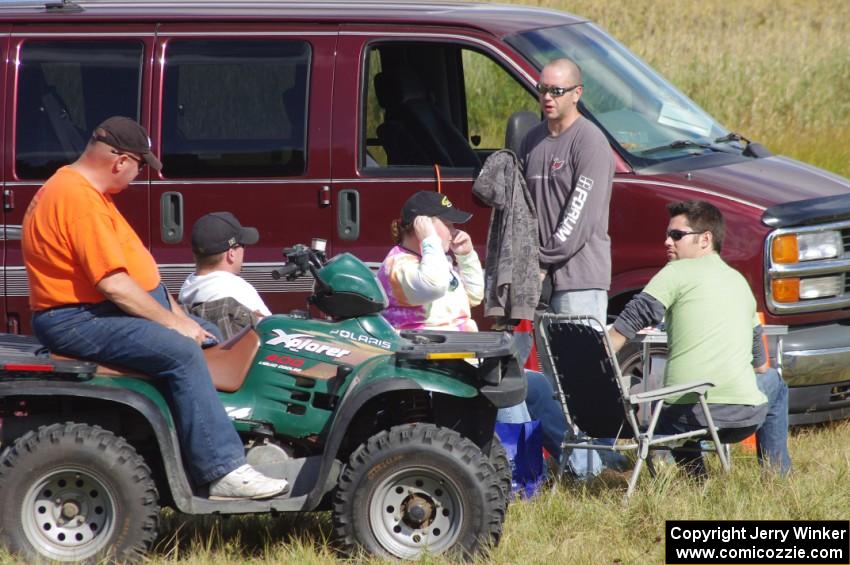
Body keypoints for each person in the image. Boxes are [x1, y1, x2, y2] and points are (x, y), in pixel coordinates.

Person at [22, 116, 289, 499]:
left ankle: (240, 438)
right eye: (139, 166)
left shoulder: (85, 191)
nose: (138, 176)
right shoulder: (77, 199)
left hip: (91, 312)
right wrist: (172, 325)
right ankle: (223, 468)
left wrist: (178, 314)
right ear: (119, 162)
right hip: (75, 318)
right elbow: (113, 283)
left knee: (215, 337)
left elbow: (132, 271)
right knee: (181, 352)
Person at [376, 191, 568, 460]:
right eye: (449, 224)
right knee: (507, 392)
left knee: (535, 386)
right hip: (434, 364)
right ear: (422, 225)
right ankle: (519, 476)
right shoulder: (399, 264)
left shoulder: (436, 261)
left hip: (462, 356)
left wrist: (465, 257)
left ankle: (581, 465)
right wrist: (430, 240)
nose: (455, 231)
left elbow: (474, 296)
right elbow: (433, 285)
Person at [607, 200, 791, 476]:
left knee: (677, 396)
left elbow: (625, 326)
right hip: (742, 417)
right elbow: (761, 365)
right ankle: (777, 475)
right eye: (668, 235)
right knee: (775, 381)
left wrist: (589, 371)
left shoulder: (674, 272)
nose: (667, 241)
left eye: (677, 235)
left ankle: (696, 478)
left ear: (706, 239)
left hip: (684, 419)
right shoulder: (739, 282)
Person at [519, 57, 617, 477]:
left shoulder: (589, 141)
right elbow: (524, 210)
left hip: (579, 277)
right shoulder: (533, 141)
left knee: (583, 382)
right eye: (542, 89)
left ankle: (599, 465)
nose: (547, 97)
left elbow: (580, 216)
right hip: (541, 277)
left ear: (577, 93)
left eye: (557, 91)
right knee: (552, 383)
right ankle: (575, 464)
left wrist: (541, 261)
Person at [180, 212, 271, 337]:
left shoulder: (186, 291)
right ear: (231, 253)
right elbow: (271, 333)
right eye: (243, 245)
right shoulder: (239, 290)